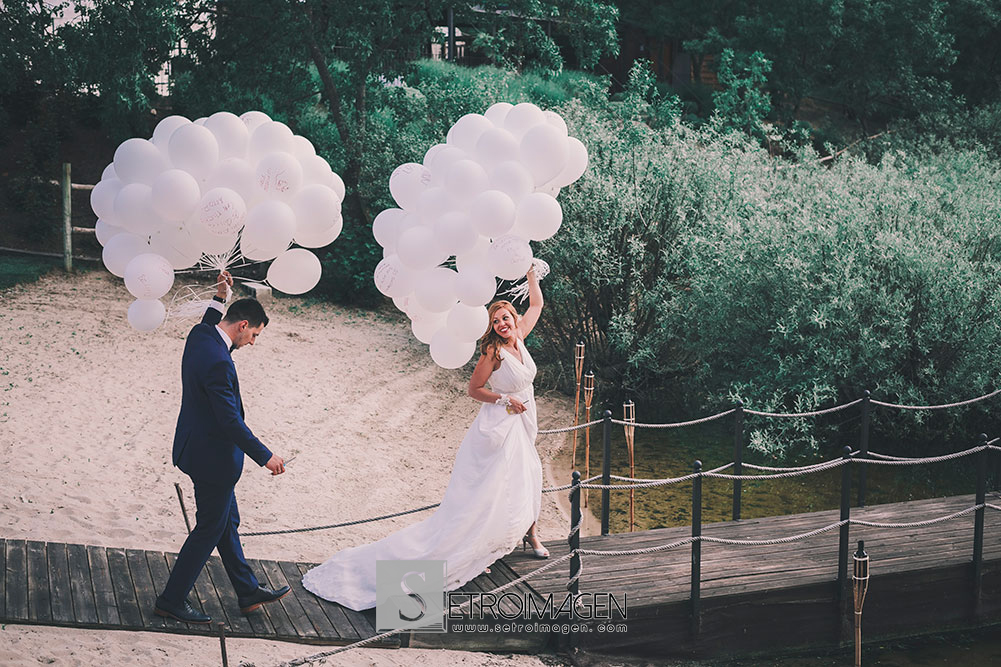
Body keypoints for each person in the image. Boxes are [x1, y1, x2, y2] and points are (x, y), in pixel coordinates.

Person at [303, 267, 547, 611]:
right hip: (501, 423)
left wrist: (529, 274)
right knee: (493, 488)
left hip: (526, 415)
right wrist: (506, 400)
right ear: (490, 327)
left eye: (505, 317)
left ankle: (529, 534)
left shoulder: (520, 334)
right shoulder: (492, 353)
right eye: (496, 321)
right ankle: (480, 545)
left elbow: (536, 304)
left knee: (529, 475)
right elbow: (473, 390)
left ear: (513, 318)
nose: (502, 324)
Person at [154, 271, 289, 624]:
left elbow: (212, 320)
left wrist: (219, 295)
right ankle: (171, 600)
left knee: (226, 522)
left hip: (193, 447)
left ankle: (247, 591)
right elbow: (230, 422)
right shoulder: (219, 362)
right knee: (208, 530)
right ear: (243, 325)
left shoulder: (200, 336)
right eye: (255, 335)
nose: (253, 342)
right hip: (212, 460)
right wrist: (266, 456)